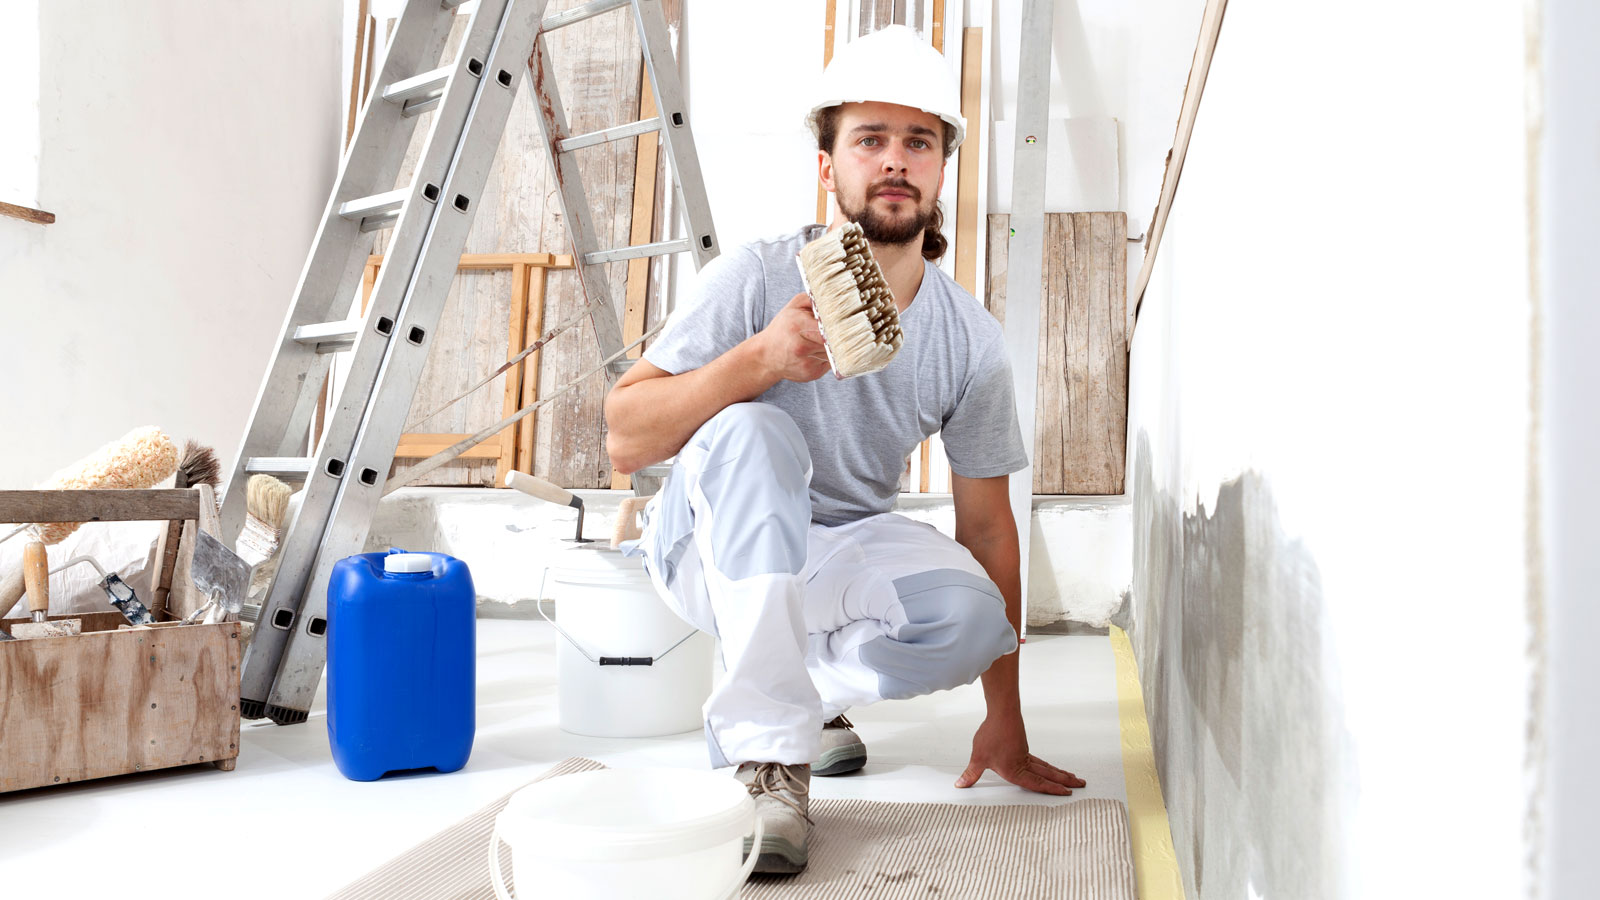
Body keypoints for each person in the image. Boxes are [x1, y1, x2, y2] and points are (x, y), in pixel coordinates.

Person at [605, 24, 1085, 874]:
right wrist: (755, 361)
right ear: (829, 166)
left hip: (838, 546)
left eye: (918, 142)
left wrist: (1004, 714)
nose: (895, 160)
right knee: (759, 430)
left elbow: (988, 530)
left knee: (969, 618)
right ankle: (769, 766)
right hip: (706, 549)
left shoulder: (968, 339)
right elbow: (623, 433)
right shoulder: (756, 276)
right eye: (869, 140)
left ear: (941, 170)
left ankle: (792, 686)